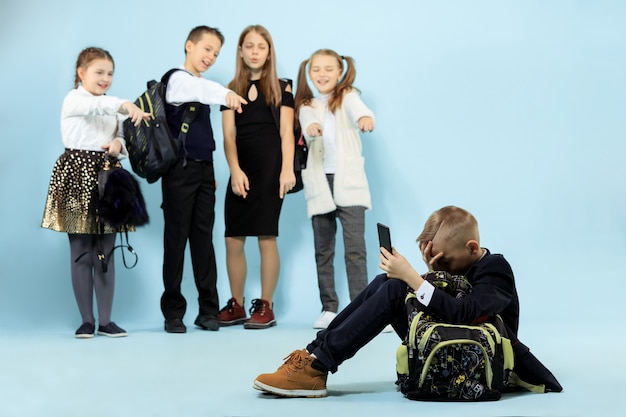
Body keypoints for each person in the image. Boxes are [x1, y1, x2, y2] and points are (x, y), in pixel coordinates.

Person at [253, 206, 562, 398]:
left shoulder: (495, 268)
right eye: (434, 260)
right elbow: (450, 301)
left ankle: (318, 366)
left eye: (445, 261)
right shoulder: (461, 265)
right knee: (389, 283)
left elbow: (465, 313)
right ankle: (312, 355)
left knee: (396, 288)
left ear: (472, 247)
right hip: (454, 344)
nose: (441, 267)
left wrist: (416, 278)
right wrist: (426, 275)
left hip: (483, 360)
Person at [41, 47, 151, 339]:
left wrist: (118, 144)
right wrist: (126, 104)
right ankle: (87, 321)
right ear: (81, 73)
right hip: (77, 175)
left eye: (110, 73)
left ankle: (107, 320)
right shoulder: (75, 99)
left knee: (106, 251)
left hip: (109, 176)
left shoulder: (110, 105)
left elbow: (118, 135)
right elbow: (99, 108)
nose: (105, 78)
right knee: (81, 252)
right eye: (99, 72)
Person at [160, 26, 247, 334]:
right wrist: (227, 94)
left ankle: (208, 310)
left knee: (203, 241)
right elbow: (201, 91)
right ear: (189, 46)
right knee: (175, 240)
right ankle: (173, 312)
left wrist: (209, 173)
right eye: (206, 49)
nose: (210, 56)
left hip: (203, 171)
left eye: (216, 53)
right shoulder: (177, 80)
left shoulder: (197, 83)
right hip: (179, 172)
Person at [217, 25, 296, 330]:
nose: (254, 52)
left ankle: (266, 306)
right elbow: (228, 135)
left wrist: (287, 169)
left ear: (269, 52)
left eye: (260, 47)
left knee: (266, 236)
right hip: (242, 167)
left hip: (271, 168)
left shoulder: (281, 87)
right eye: (248, 46)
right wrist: (235, 170)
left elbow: (287, 133)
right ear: (240, 51)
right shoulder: (230, 89)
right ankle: (236, 305)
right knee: (232, 238)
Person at [294, 49, 376, 329]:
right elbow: (307, 124)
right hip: (319, 182)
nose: (322, 74)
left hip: (348, 181)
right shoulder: (307, 104)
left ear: (339, 72)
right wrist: (313, 126)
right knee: (323, 250)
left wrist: (365, 118)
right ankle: (329, 308)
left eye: (328, 69)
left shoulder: (348, 97)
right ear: (309, 72)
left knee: (356, 249)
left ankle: (363, 307)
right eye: (316, 69)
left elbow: (359, 111)